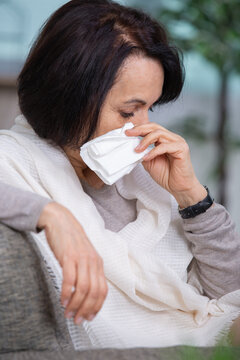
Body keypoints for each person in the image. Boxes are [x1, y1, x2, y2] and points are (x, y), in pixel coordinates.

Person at [0, 0, 239, 349]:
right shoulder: (14, 158)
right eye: (129, 111)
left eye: (150, 108)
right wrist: (52, 215)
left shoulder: (143, 181)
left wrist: (191, 196)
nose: (144, 127)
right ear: (68, 98)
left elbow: (231, 294)